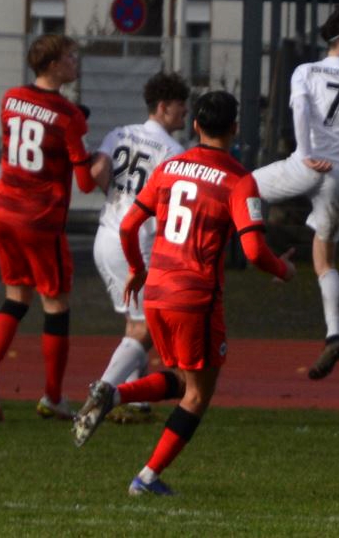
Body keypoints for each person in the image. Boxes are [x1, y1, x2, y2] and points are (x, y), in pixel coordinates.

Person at [71, 91, 296, 496]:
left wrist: (137, 270)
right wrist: (283, 269)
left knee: (181, 379)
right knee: (198, 394)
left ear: (196, 126)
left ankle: (113, 393)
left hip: (157, 290)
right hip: (195, 296)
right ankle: (146, 478)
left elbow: (128, 226)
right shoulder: (239, 180)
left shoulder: (170, 167)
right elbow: (253, 251)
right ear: (234, 128)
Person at [0, 33, 96, 422]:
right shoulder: (69, 116)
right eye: (70, 57)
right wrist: (100, 160)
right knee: (56, 304)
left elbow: (34, 125)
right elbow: (85, 182)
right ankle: (53, 397)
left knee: (16, 297)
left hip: (3, 211)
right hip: (39, 219)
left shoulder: (10, 98)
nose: (75, 62)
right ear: (53, 65)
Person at [255, 7, 339, 380]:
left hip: (305, 163)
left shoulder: (305, 71)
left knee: (240, 189)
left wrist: (306, 154)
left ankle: (266, 258)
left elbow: (299, 108)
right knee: (326, 261)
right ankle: (334, 334)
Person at [85, 72, 190, 423]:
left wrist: (118, 197)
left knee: (135, 322)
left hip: (105, 235)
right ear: (163, 106)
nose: (185, 111)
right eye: (180, 105)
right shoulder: (173, 151)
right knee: (145, 330)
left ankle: (135, 399)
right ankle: (103, 393)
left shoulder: (118, 133)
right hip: (135, 243)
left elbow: (97, 170)